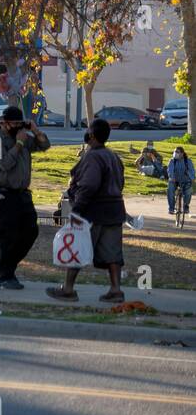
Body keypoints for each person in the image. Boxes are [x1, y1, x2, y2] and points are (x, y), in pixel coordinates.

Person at [47, 118, 128, 303]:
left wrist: (77, 210)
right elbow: (121, 183)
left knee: (77, 247)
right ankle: (116, 290)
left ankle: (68, 289)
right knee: (113, 253)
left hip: (93, 211)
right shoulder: (113, 156)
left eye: (88, 130)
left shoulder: (93, 156)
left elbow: (89, 185)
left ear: (91, 135)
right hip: (115, 210)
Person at [0, 105, 51, 289]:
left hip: (23, 194)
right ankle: (5, 276)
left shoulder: (23, 136)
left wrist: (35, 130)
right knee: (9, 235)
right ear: (5, 123)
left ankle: (5, 263)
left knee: (31, 231)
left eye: (20, 123)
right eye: (15, 123)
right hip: (5, 194)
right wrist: (19, 144)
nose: (18, 126)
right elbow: (4, 164)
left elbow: (45, 145)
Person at [167, 146, 194, 221]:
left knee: (189, 190)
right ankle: (171, 208)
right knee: (170, 188)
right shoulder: (172, 161)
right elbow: (170, 170)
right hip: (175, 180)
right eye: (175, 152)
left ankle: (186, 206)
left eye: (177, 152)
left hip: (185, 181)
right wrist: (172, 177)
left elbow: (192, 172)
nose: (175, 153)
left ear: (182, 153)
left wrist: (190, 176)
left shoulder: (188, 161)